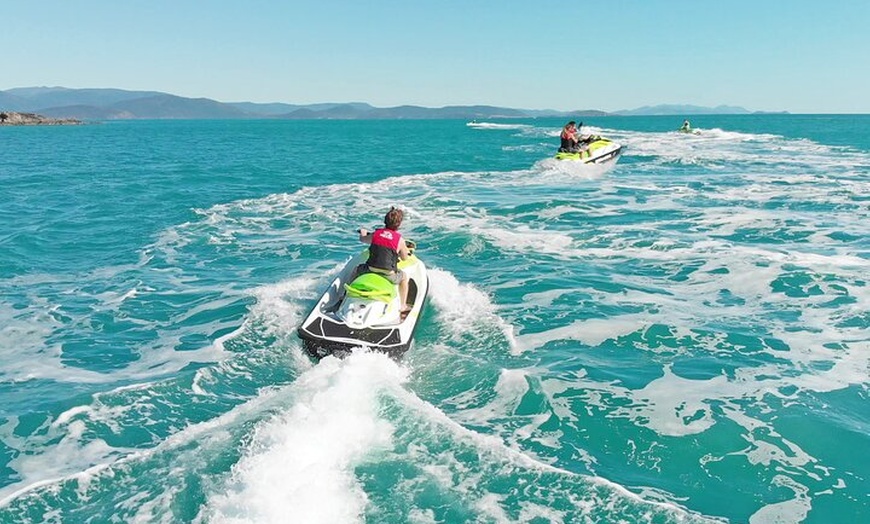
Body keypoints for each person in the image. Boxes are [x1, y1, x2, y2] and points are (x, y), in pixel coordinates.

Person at [355, 207, 412, 315]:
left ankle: (344, 295)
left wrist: (363, 233)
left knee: (356, 270)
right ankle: (403, 305)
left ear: (385, 221)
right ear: (399, 225)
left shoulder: (376, 234)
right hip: (388, 274)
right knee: (404, 277)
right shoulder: (400, 240)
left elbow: (363, 239)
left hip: (370, 269)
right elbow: (405, 258)